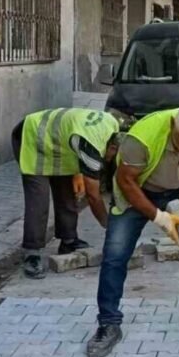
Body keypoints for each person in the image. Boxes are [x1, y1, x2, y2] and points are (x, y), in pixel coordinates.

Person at [86, 103, 179, 357]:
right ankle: (108, 324)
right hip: (136, 192)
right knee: (115, 255)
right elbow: (125, 180)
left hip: (177, 189)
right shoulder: (142, 137)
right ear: (172, 127)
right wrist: (159, 217)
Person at [12, 108, 123, 279]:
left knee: (66, 193)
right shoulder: (92, 146)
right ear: (113, 146)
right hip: (32, 136)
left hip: (58, 146)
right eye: (111, 156)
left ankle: (68, 240)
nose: (108, 160)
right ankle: (32, 253)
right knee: (38, 200)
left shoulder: (113, 124)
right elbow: (93, 196)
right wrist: (109, 225)